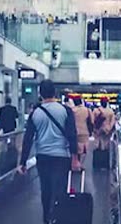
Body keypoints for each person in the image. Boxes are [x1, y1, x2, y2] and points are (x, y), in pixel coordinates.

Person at [17, 80, 81, 224]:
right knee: (60, 190)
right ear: (55, 93)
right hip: (62, 157)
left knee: (45, 189)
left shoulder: (36, 113)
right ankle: (59, 218)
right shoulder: (65, 110)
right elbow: (72, 134)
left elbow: (28, 138)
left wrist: (23, 162)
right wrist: (75, 158)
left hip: (43, 157)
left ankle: (46, 218)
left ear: (40, 94)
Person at [68, 94, 92, 158]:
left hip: (74, 132)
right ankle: (80, 163)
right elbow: (91, 122)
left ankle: (75, 162)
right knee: (83, 150)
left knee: (75, 149)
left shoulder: (72, 110)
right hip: (84, 132)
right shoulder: (87, 110)